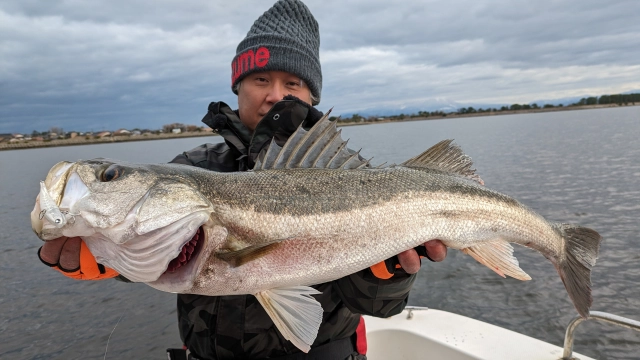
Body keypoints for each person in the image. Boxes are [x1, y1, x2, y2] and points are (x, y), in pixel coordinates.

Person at [37, 1, 447, 359]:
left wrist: (387, 274)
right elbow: (160, 244)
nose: (274, 94)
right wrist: (114, 259)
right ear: (238, 87)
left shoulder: (344, 174)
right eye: (261, 79)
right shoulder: (193, 166)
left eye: (293, 82)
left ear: (311, 96)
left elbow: (379, 307)